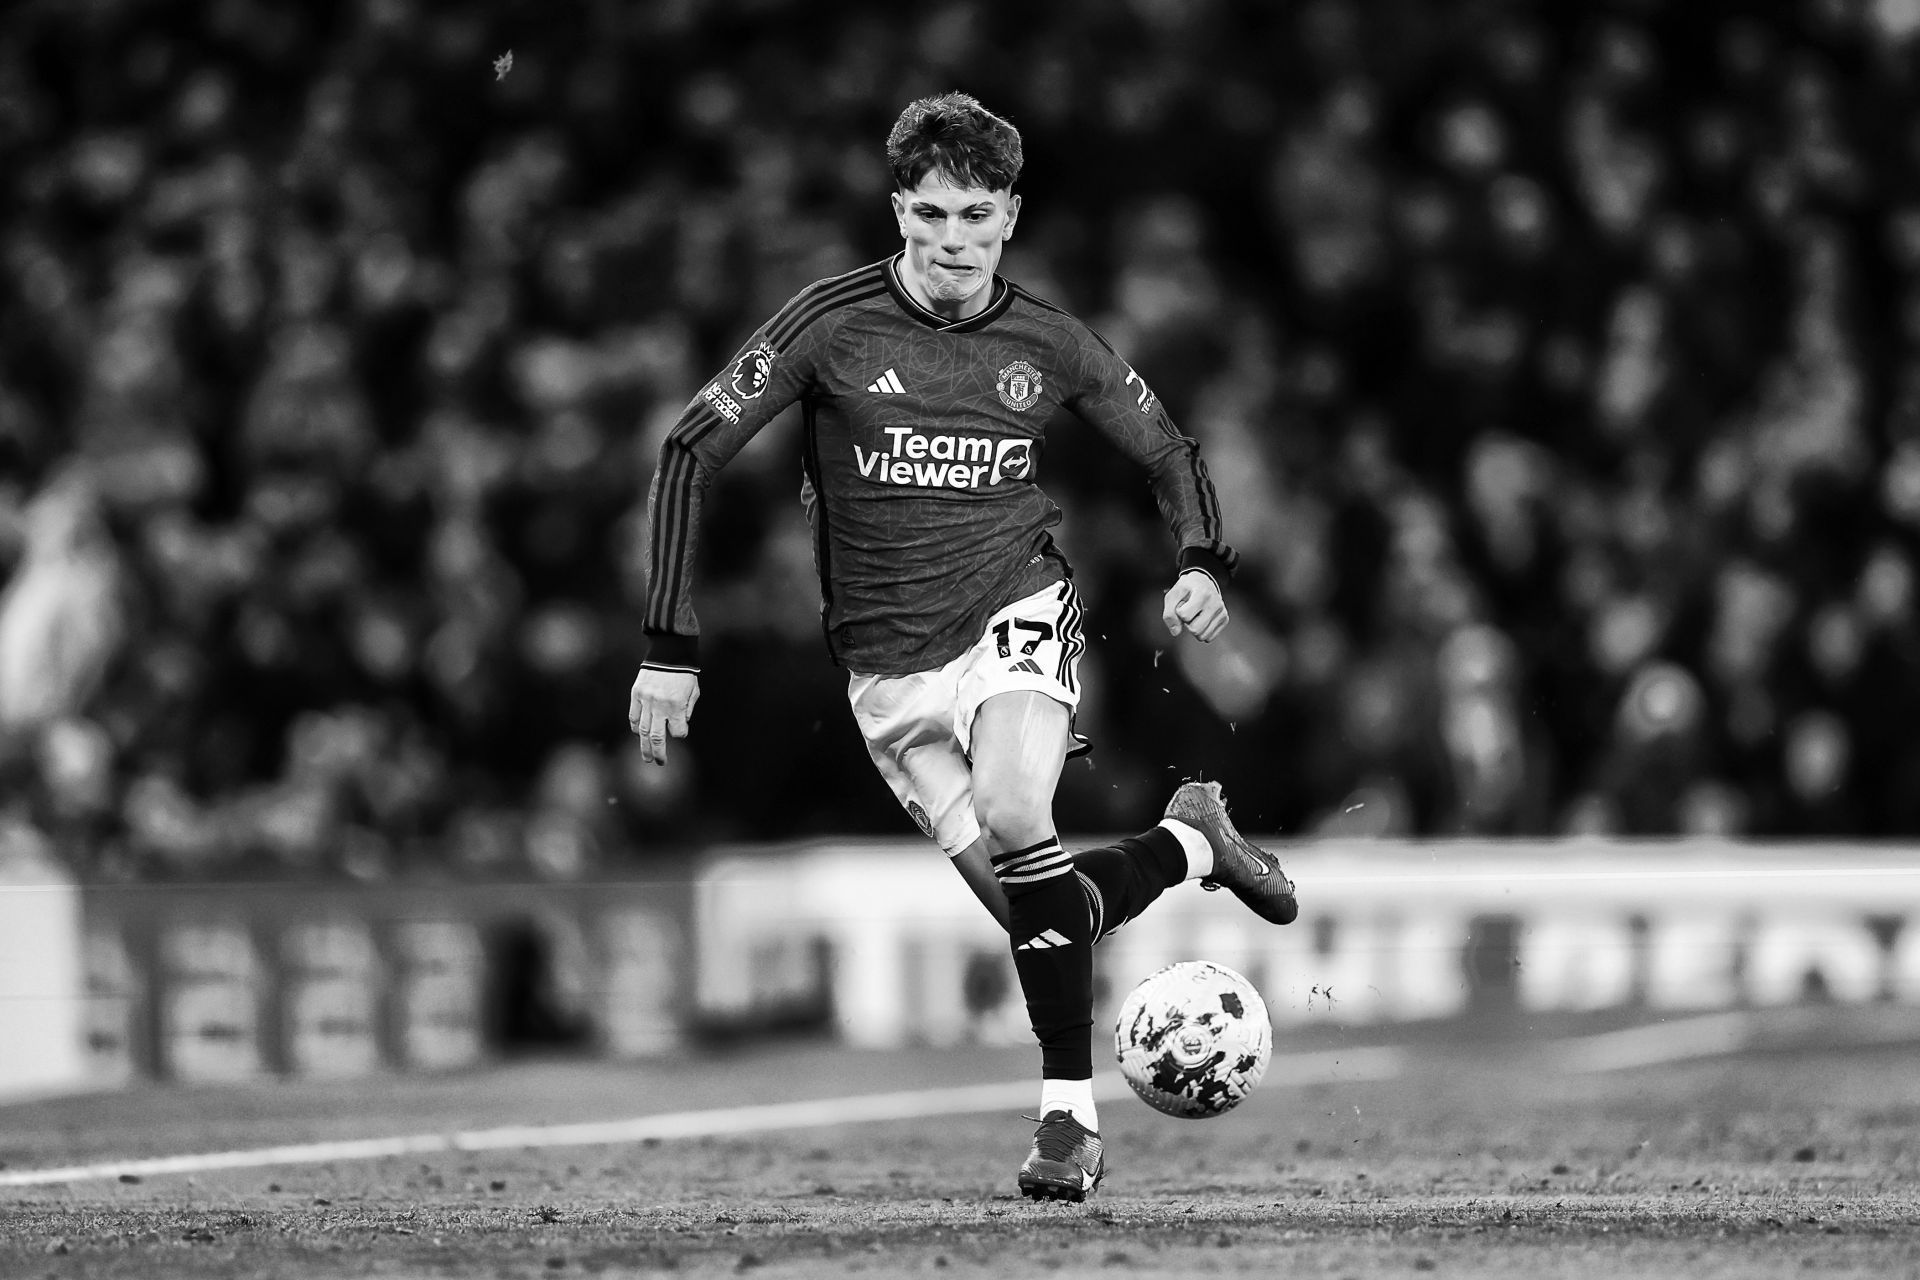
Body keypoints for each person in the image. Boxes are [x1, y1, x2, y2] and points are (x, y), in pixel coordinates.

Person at [628, 91, 1298, 1201]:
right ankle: (1190, 842)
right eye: (931, 213)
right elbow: (691, 448)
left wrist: (1199, 562)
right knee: (1056, 914)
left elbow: (1168, 448)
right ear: (899, 208)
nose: (951, 240)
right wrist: (667, 645)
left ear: (1011, 216)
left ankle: (1066, 1124)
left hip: (1015, 613)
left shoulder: (1048, 340)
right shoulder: (828, 325)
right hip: (885, 675)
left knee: (1019, 810)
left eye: (975, 214)